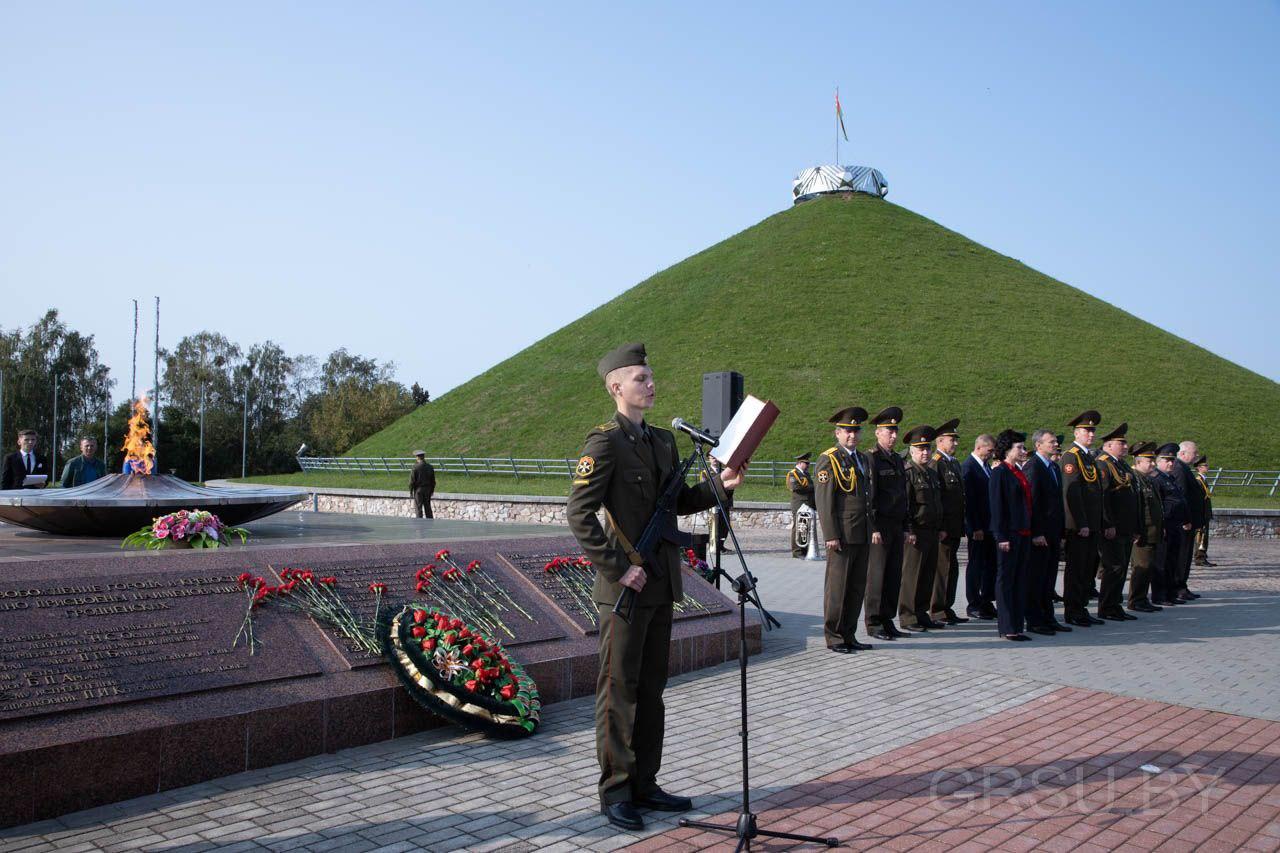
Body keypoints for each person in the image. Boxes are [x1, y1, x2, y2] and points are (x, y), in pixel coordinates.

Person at [565, 343, 742, 832]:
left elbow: (681, 501)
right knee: (618, 691)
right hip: (625, 589)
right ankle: (616, 791)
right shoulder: (603, 443)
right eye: (641, 377)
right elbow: (579, 514)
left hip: (661, 584)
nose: (651, 383)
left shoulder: (663, 441)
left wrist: (722, 485)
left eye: (651, 376)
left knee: (653, 689)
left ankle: (646, 782)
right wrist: (619, 567)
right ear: (615, 386)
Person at [813, 407, 874, 652]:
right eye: (847, 431)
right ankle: (834, 635)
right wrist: (831, 535)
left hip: (861, 531)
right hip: (842, 534)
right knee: (838, 587)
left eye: (856, 431)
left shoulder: (861, 458)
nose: (852, 435)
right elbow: (825, 500)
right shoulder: (829, 459)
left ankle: (849, 633)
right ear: (837, 433)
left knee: (856, 586)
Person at [1060, 411, 1108, 627]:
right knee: (1076, 569)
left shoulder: (1088, 456)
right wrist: (1081, 523)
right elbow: (1072, 493)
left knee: (1087, 569)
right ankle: (1073, 610)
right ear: (1077, 432)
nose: (1091, 434)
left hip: (1092, 524)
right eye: (1086, 431)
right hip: (1080, 526)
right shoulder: (1071, 456)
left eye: (1092, 431)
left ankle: (1082, 607)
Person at [865, 406, 909, 642]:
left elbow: (903, 494)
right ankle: (873, 621)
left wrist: (905, 525)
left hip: (895, 524)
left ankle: (887, 619)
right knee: (877, 575)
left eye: (895, 431)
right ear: (877, 433)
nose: (893, 436)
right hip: (880, 527)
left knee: (893, 575)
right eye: (888, 431)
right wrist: (873, 528)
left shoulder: (897, 460)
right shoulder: (872, 457)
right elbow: (869, 495)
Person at [899, 425, 946, 632]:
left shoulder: (931, 473)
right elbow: (906, 504)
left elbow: (937, 502)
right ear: (912, 451)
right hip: (916, 532)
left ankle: (921, 612)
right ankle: (908, 616)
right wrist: (908, 530)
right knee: (912, 575)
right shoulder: (908, 473)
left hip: (932, 531)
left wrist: (941, 526)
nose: (925, 452)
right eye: (920, 449)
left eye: (927, 448)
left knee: (927, 574)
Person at [989, 429, 1033, 641]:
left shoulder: (1018, 471)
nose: (1023, 450)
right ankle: (1007, 627)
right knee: (1006, 580)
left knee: (1020, 579)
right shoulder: (1000, 472)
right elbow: (997, 506)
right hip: (1009, 534)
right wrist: (1001, 536)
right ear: (1007, 449)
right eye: (1019, 447)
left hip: (1023, 532)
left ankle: (1017, 624)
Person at [1023, 429, 1068, 635]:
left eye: (1054, 442)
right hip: (1040, 534)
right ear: (1038, 445)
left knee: (1049, 577)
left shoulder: (1053, 467)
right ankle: (1034, 619)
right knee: (1036, 578)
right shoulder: (1034, 467)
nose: (1055, 445)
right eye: (1050, 442)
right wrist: (1036, 532)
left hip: (1053, 532)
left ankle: (1048, 617)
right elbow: (1032, 502)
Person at [1095, 423, 1140, 621]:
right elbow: (1103, 497)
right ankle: (1106, 607)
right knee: (1113, 567)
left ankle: (1115, 605)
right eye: (1121, 443)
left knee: (1121, 567)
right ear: (1108, 445)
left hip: (1125, 527)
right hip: (1113, 527)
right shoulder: (1104, 464)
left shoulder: (1120, 464)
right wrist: (1107, 524)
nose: (1125, 446)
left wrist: (1135, 527)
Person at [928, 419, 968, 626]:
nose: (955, 444)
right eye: (951, 440)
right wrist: (941, 526)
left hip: (954, 525)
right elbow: (937, 498)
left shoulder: (953, 462)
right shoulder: (936, 462)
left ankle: (947, 606)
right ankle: (937, 609)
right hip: (944, 527)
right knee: (942, 569)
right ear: (940, 441)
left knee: (952, 568)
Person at [963, 434, 998, 620]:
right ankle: (973, 603)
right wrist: (974, 527)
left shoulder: (985, 467)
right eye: (990, 450)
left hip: (989, 527)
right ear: (979, 447)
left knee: (989, 566)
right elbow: (969, 501)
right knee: (976, 566)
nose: (991, 454)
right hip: (978, 528)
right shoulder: (969, 467)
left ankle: (986, 602)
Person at [1128, 442, 1165, 612]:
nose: (1153, 464)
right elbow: (1135, 508)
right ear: (1138, 461)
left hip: (1152, 531)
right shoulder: (1134, 479)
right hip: (1142, 533)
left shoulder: (1147, 480)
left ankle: (1142, 598)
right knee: (1141, 568)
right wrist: (1135, 530)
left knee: (1148, 567)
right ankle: (1135, 600)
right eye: (1149, 461)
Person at [1155, 443, 1195, 605]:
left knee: (1172, 561)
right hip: (1165, 525)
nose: (1171, 463)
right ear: (1158, 461)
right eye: (1166, 460)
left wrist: (1185, 519)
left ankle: (1170, 593)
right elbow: (1158, 507)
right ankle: (1160, 595)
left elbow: (1181, 501)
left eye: (1172, 460)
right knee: (1161, 563)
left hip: (1175, 526)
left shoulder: (1169, 478)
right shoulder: (1156, 479)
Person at [1172, 441, 1206, 600]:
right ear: (1183, 453)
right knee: (1181, 556)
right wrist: (1185, 519)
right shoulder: (1179, 469)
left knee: (1185, 557)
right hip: (1183, 524)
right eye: (1195, 452)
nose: (1197, 455)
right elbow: (1182, 497)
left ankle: (1182, 585)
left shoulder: (1184, 468)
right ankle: (1178, 586)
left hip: (1189, 522)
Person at [787, 452, 816, 558]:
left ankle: (805, 549)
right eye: (806, 464)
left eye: (808, 464)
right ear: (800, 463)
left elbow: (811, 486)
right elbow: (796, 487)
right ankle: (797, 551)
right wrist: (811, 488)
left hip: (807, 504)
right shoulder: (793, 474)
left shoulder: (806, 474)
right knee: (797, 527)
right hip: (799, 504)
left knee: (806, 527)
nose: (808, 466)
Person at [1193, 455, 1215, 567]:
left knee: (1204, 536)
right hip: (1202, 514)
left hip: (1205, 513)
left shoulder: (1203, 480)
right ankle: (1199, 558)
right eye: (1205, 465)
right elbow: (1198, 501)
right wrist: (1201, 515)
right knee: (1201, 536)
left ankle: (1203, 555)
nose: (1207, 467)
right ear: (1199, 468)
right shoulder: (1198, 481)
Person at [409, 450, 436, 518]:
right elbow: (433, 481)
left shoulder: (415, 467)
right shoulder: (430, 467)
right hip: (428, 489)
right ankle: (430, 524)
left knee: (418, 508)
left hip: (418, 490)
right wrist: (432, 490)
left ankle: (419, 525)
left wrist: (411, 491)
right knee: (428, 508)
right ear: (424, 457)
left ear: (417, 457)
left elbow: (412, 481)